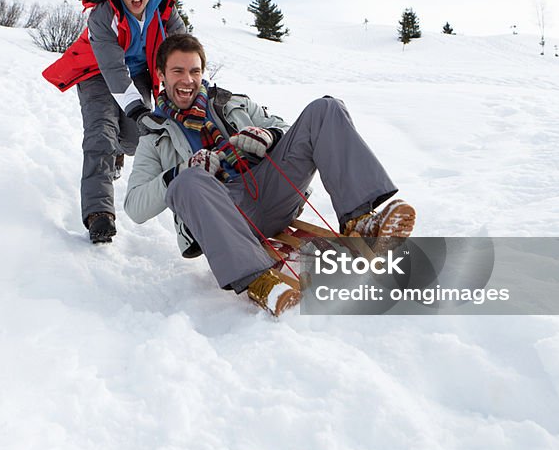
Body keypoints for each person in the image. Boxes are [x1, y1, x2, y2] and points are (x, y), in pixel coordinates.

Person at [125, 34, 416, 316]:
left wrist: (269, 135)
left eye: (194, 70)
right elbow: (135, 207)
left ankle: (360, 220)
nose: (188, 80)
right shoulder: (154, 136)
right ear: (162, 74)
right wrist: (181, 171)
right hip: (224, 218)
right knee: (187, 182)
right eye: (178, 71)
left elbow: (287, 129)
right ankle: (258, 280)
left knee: (325, 109)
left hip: (272, 191)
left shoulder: (230, 102)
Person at [43, 0, 186, 243]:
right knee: (100, 135)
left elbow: (181, 55)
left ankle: (119, 153)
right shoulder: (103, 14)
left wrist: (188, 94)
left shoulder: (165, 13)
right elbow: (111, 67)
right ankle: (99, 213)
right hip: (97, 73)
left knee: (136, 138)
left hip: (138, 74)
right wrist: (136, 109)